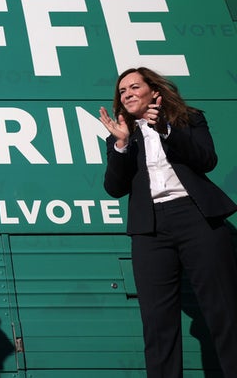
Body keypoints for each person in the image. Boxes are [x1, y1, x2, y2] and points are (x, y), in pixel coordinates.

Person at [99, 67, 237, 378]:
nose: (127, 94)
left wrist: (165, 130)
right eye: (122, 91)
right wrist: (120, 147)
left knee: (224, 313)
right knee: (157, 324)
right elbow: (114, 187)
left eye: (134, 87)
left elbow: (207, 160)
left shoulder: (188, 118)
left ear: (154, 92)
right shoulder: (121, 135)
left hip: (197, 217)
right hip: (150, 229)